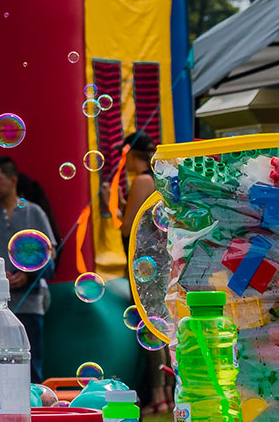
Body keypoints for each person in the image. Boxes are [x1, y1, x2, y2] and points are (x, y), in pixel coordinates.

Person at [0, 155, 56, 384]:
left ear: (13, 179)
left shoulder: (33, 212)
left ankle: (32, 409)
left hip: (29, 301)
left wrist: (27, 274)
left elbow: (49, 251)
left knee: (30, 361)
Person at [103, 131, 171, 415]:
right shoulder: (159, 178)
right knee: (161, 326)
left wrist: (111, 204)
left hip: (144, 266)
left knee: (150, 328)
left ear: (131, 153)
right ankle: (168, 394)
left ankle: (157, 396)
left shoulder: (143, 180)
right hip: (160, 262)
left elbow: (129, 228)